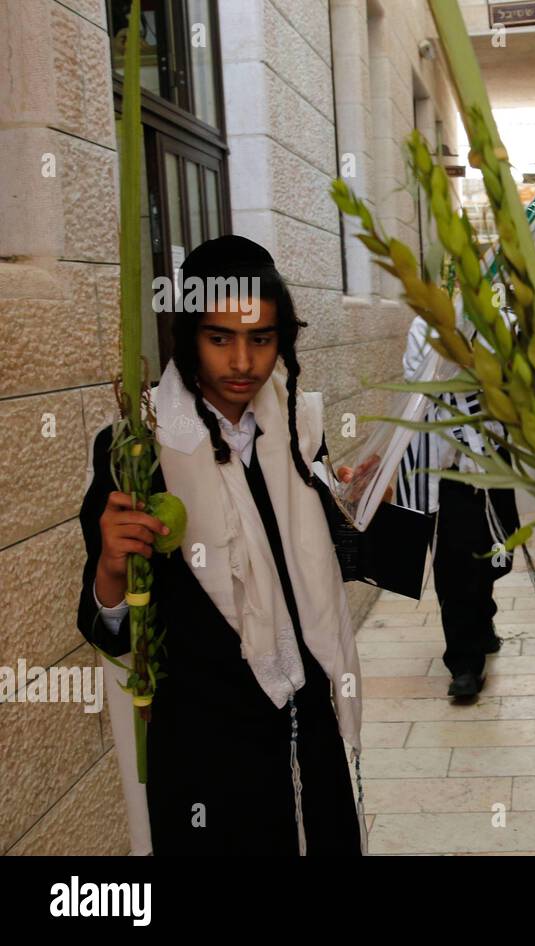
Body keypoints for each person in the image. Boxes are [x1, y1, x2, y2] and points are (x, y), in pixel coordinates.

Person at [78, 235, 366, 855]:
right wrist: (109, 568)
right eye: (220, 339)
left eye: (261, 339)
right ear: (187, 337)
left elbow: (314, 573)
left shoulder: (294, 427)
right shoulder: (136, 450)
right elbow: (108, 628)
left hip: (305, 723)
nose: (243, 362)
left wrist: (348, 509)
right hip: (208, 750)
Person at [396, 311, 528, 700]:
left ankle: (483, 618)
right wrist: (447, 354)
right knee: (453, 569)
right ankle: (464, 665)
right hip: (447, 469)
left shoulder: (498, 322)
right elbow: (414, 380)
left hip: (490, 460)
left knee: (494, 554)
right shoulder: (424, 324)